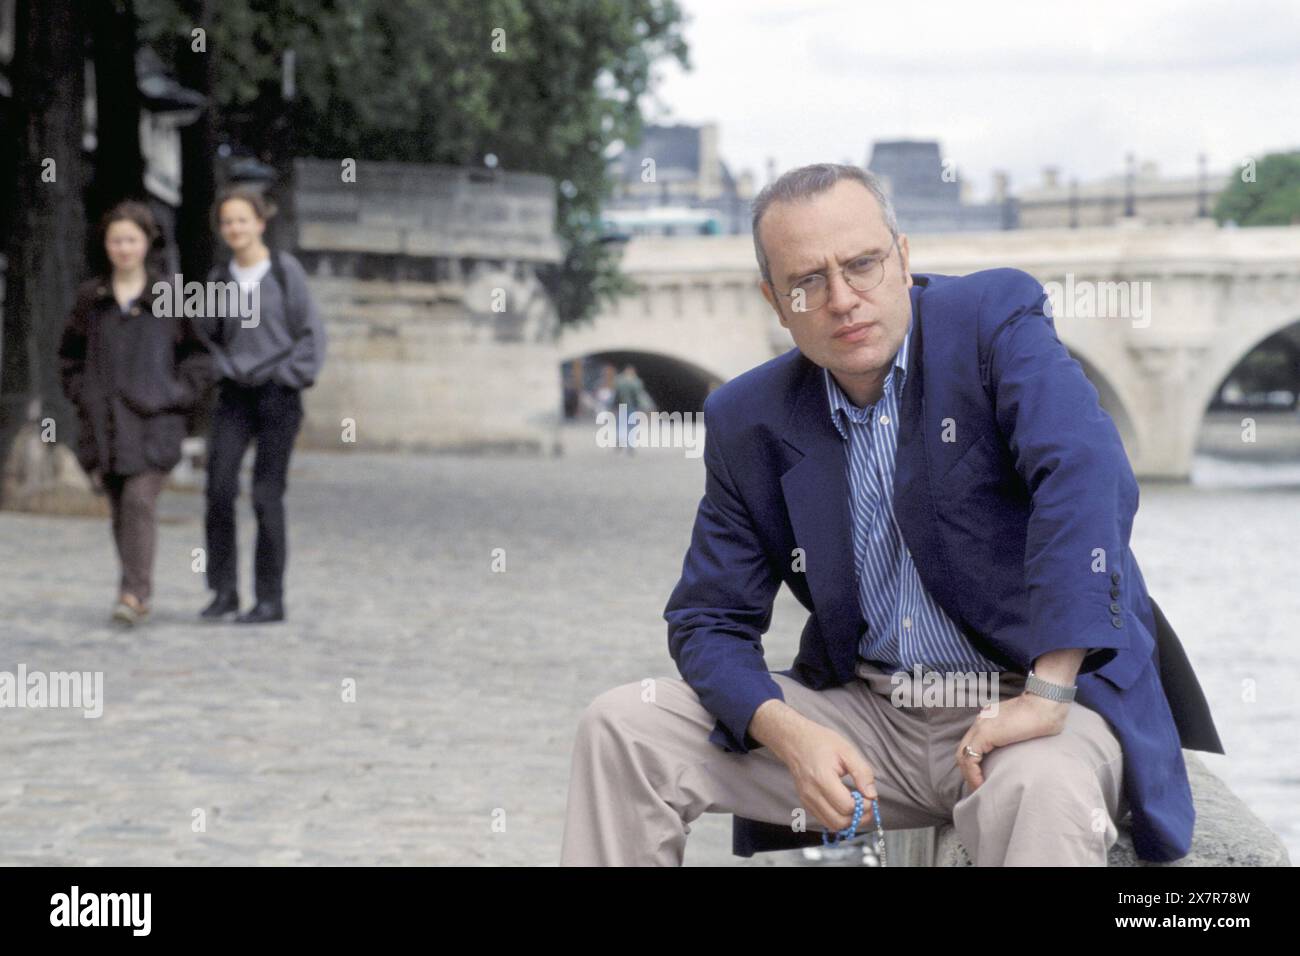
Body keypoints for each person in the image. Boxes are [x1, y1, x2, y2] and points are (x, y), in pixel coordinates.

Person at [560, 163, 1224, 866]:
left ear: (903, 259)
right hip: (866, 714)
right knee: (623, 727)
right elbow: (707, 620)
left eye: (862, 264)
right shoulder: (747, 418)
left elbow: (1085, 474)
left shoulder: (994, 322)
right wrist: (789, 732)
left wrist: (1049, 688)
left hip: (1031, 706)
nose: (842, 299)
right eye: (806, 281)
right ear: (774, 302)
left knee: (1038, 791)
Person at [58, 200, 214, 627]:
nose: (123, 248)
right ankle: (131, 587)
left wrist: (176, 393)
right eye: (115, 240)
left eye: (131, 239)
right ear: (105, 245)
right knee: (118, 506)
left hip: (155, 423)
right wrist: (82, 393)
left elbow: (199, 357)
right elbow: (68, 356)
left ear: (147, 243)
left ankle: (135, 593)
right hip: (104, 424)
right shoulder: (92, 298)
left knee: (139, 500)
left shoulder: (170, 296)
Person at [196, 186, 326, 625]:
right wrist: (222, 368)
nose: (234, 228)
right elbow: (204, 339)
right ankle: (224, 591)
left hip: (278, 394)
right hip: (234, 393)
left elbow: (311, 335)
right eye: (227, 221)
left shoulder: (285, 272)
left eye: (242, 219)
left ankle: (270, 599)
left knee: (266, 495)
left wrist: (286, 376)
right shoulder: (218, 281)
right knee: (218, 489)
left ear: (260, 223)